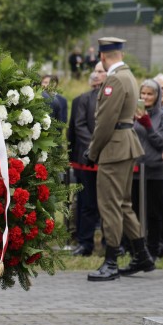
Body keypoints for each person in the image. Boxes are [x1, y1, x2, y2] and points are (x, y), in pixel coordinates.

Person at [85, 37, 153, 281]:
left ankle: (111, 260)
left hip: (114, 148)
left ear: (102, 56)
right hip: (125, 144)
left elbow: (105, 122)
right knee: (123, 204)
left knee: (110, 205)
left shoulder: (114, 79)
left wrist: (93, 151)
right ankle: (141, 253)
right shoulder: (129, 76)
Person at [68, 62, 106, 257]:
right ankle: (85, 243)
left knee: (109, 203)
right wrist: (94, 146)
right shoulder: (84, 99)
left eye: (102, 71)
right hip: (88, 158)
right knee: (87, 203)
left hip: (109, 158)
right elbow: (79, 125)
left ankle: (111, 243)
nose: (97, 74)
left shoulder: (115, 98)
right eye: (96, 71)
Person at [131, 79, 163, 258]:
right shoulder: (132, 114)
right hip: (135, 169)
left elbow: (162, 143)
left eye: (150, 94)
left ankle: (154, 249)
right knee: (134, 211)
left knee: (154, 213)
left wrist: (148, 125)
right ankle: (136, 249)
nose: (146, 97)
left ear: (157, 97)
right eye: (143, 93)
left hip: (155, 169)